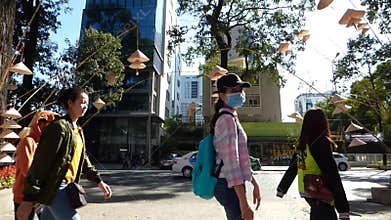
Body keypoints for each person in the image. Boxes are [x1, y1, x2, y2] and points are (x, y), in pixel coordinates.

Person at [17, 87, 112, 220]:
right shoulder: (58, 127)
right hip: (56, 188)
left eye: (87, 103)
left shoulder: (78, 130)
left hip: (67, 188)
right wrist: (28, 199)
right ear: (70, 103)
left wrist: (99, 181)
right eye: (82, 102)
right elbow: (41, 163)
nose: (85, 106)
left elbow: (83, 160)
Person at [276, 109, 350, 220]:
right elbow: (332, 174)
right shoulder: (321, 142)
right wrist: (343, 208)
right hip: (320, 191)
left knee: (316, 213)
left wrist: (282, 188)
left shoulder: (302, 143)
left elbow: (293, 168)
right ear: (323, 123)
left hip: (307, 191)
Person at [212, 73, 261, 220]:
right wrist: (244, 204)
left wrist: (254, 182)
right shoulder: (226, 119)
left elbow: (242, 158)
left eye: (241, 90)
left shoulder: (231, 117)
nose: (239, 94)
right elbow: (231, 163)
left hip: (230, 185)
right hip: (228, 185)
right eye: (233, 91)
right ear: (222, 96)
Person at [13, 110, 59, 220]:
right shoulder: (28, 141)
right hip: (25, 196)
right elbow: (27, 170)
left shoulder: (43, 144)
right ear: (39, 124)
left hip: (39, 195)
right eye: (49, 125)